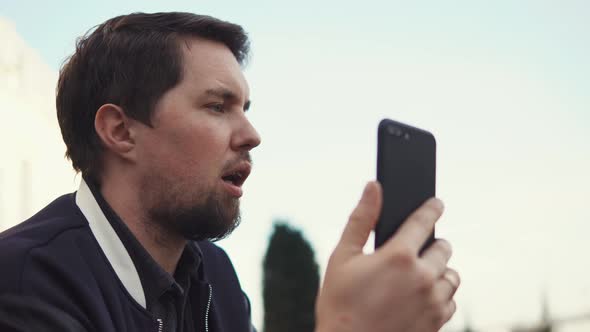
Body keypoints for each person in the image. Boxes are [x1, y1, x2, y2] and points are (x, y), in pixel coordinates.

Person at [0, 12, 460, 332]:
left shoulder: (214, 274)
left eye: (245, 108)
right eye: (217, 106)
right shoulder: (24, 280)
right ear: (120, 130)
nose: (252, 134)